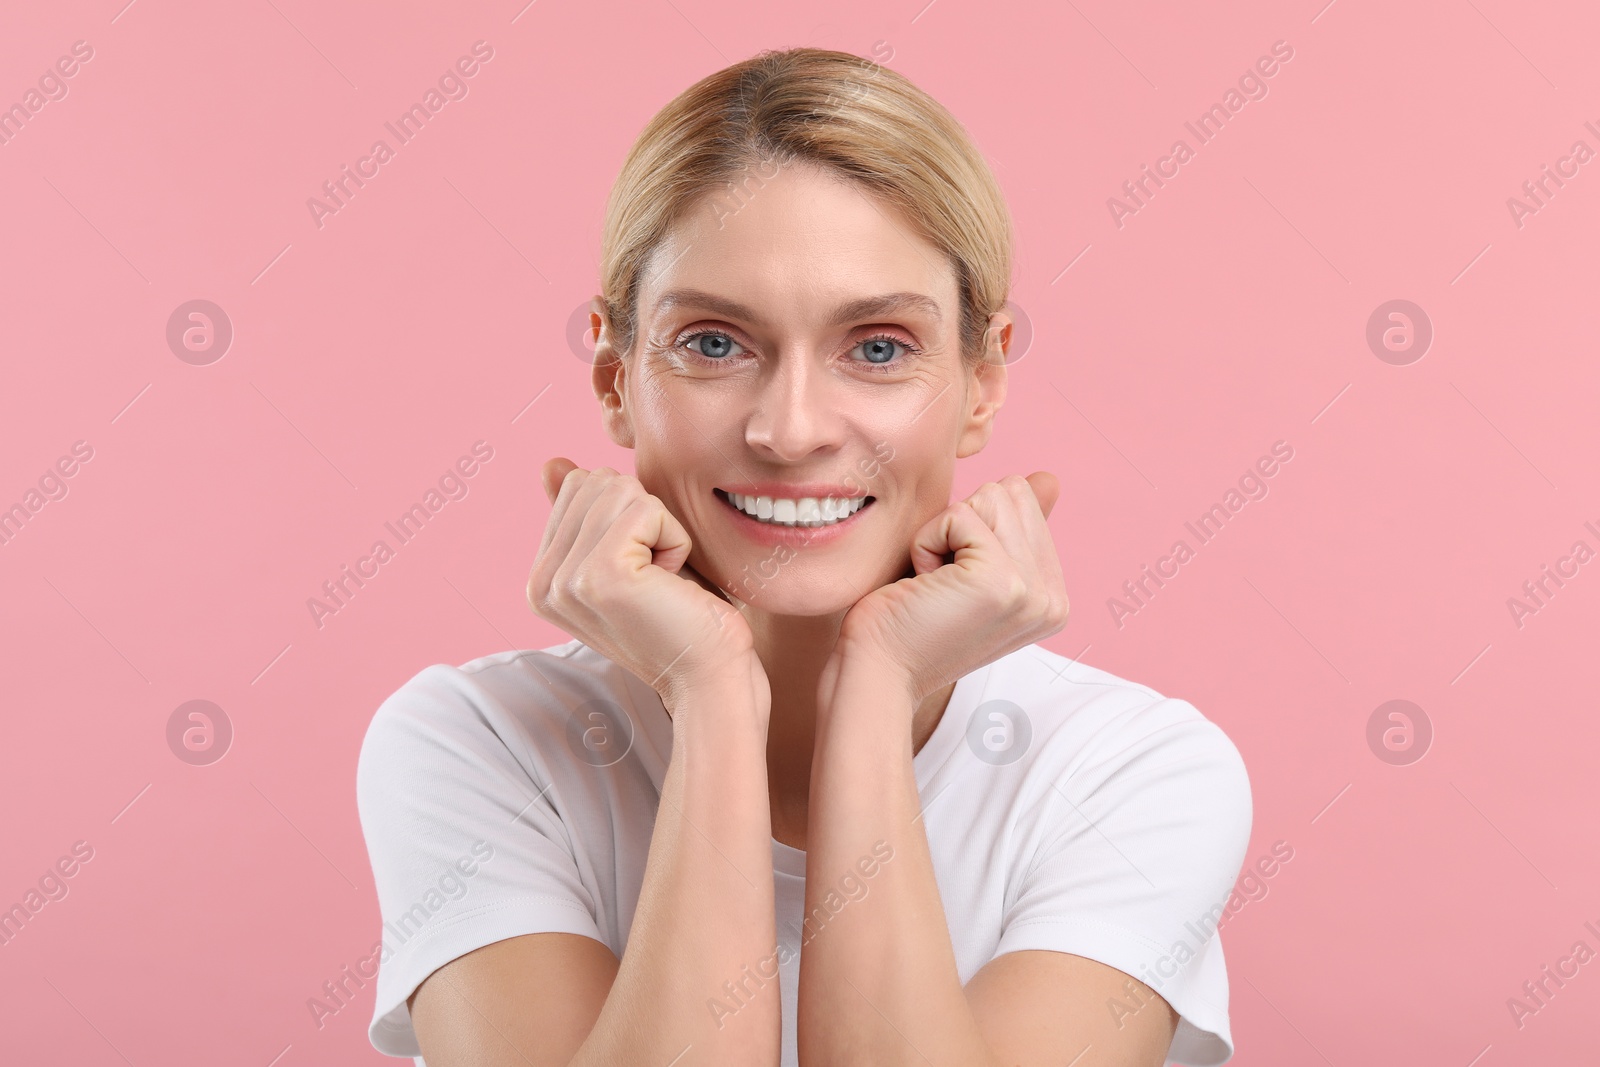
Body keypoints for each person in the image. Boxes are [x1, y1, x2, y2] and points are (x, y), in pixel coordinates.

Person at [357, 46, 1252, 1067]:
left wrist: (875, 685)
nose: (790, 431)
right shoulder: (480, 744)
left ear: (983, 381)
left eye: (876, 347)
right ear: (615, 380)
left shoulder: (1133, 773)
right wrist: (710, 690)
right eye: (712, 343)